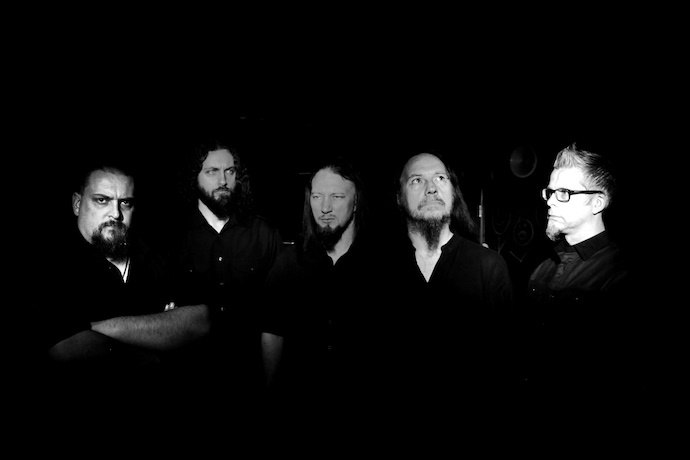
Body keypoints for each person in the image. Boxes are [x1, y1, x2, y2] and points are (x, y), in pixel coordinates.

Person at [33, 160, 211, 432]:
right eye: (102, 200)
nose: (115, 213)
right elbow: (62, 350)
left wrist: (95, 327)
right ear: (78, 204)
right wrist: (158, 336)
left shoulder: (154, 255)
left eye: (125, 203)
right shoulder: (53, 266)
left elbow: (201, 320)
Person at [382, 151, 516, 435]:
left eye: (440, 178)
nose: (431, 188)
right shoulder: (374, 270)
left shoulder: (488, 266)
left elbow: (504, 368)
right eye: (417, 180)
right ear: (399, 197)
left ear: (453, 192)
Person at [260, 156, 380, 435]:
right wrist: (270, 397)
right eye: (317, 197)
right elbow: (272, 333)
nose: (324, 208)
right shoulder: (288, 262)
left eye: (337, 197)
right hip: (301, 412)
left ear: (356, 202)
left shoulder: (381, 264)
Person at [520, 143, 637, 426]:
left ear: (597, 203)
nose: (550, 201)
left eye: (564, 193)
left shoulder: (621, 274)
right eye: (550, 192)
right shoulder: (541, 268)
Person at [167, 139, 284, 418]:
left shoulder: (263, 234)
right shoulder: (170, 238)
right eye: (212, 171)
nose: (223, 181)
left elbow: (279, 317)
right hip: (188, 386)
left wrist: (271, 391)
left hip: (250, 385)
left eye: (230, 171)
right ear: (194, 178)